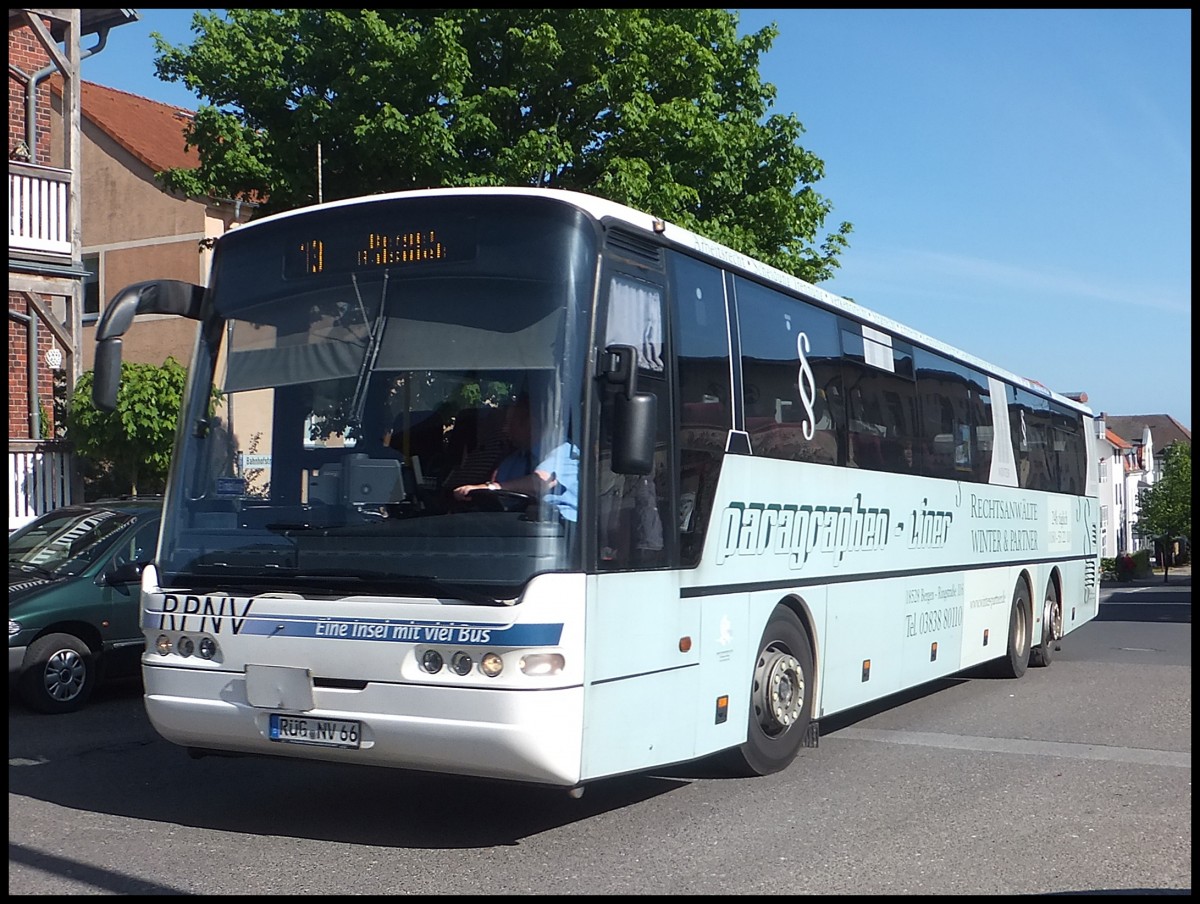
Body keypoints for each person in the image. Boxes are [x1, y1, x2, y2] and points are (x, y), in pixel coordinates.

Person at [452, 396, 578, 521]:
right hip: (514, 526)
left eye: (510, 423)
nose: (505, 429)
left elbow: (541, 482)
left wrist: (493, 487)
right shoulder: (511, 461)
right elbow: (495, 498)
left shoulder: (564, 450)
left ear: (531, 423)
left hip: (560, 527)